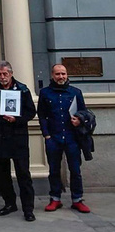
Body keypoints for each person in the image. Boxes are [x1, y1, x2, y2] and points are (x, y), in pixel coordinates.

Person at [0, 61, 36, 222]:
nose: (2, 77)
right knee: (3, 175)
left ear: (11, 73)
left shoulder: (22, 89)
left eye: (5, 74)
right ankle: (9, 203)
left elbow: (31, 111)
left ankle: (28, 208)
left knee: (23, 174)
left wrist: (17, 119)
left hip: (18, 138)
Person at [37, 64, 91, 213]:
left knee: (75, 170)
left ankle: (77, 199)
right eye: (58, 74)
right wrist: (46, 134)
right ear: (52, 75)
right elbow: (41, 115)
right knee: (54, 170)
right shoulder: (45, 93)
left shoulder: (75, 92)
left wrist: (79, 120)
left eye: (63, 74)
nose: (61, 77)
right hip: (53, 137)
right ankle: (55, 198)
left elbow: (84, 112)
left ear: (67, 75)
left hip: (72, 138)